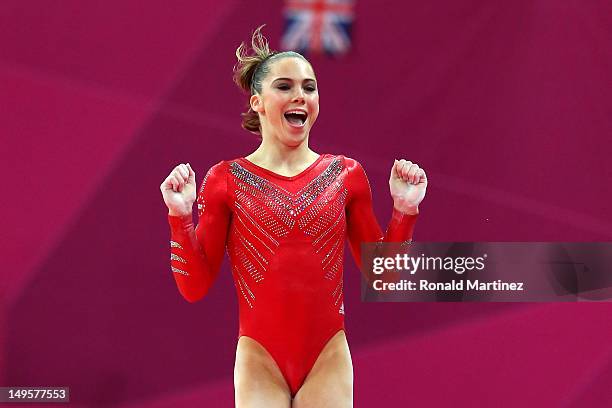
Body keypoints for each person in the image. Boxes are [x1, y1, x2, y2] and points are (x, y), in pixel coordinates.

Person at [160, 25, 428, 408]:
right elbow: (195, 287)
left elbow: (384, 279)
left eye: (309, 87)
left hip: (328, 356)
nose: (299, 96)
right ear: (257, 102)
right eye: (284, 87)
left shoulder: (345, 176)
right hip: (259, 358)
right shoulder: (226, 181)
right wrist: (179, 217)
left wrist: (405, 211)